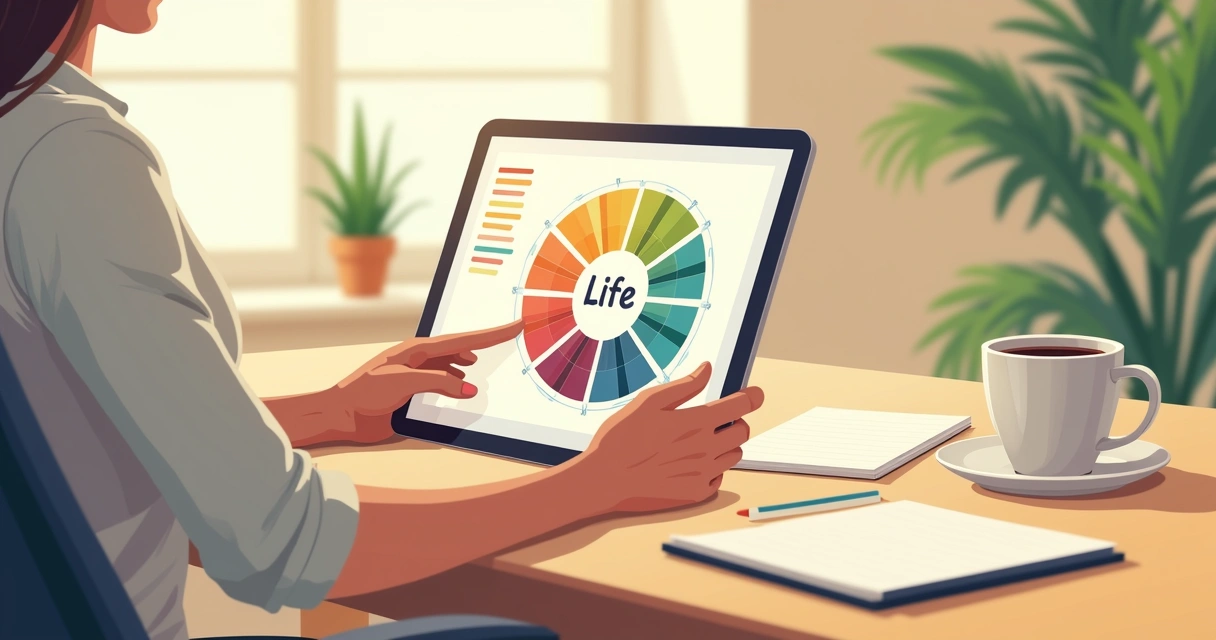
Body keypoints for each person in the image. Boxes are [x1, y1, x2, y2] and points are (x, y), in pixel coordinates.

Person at [0, 2, 764, 639]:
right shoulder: (71, 155)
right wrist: (598, 481)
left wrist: (324, 412)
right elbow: (284, 541)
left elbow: (70, 425)